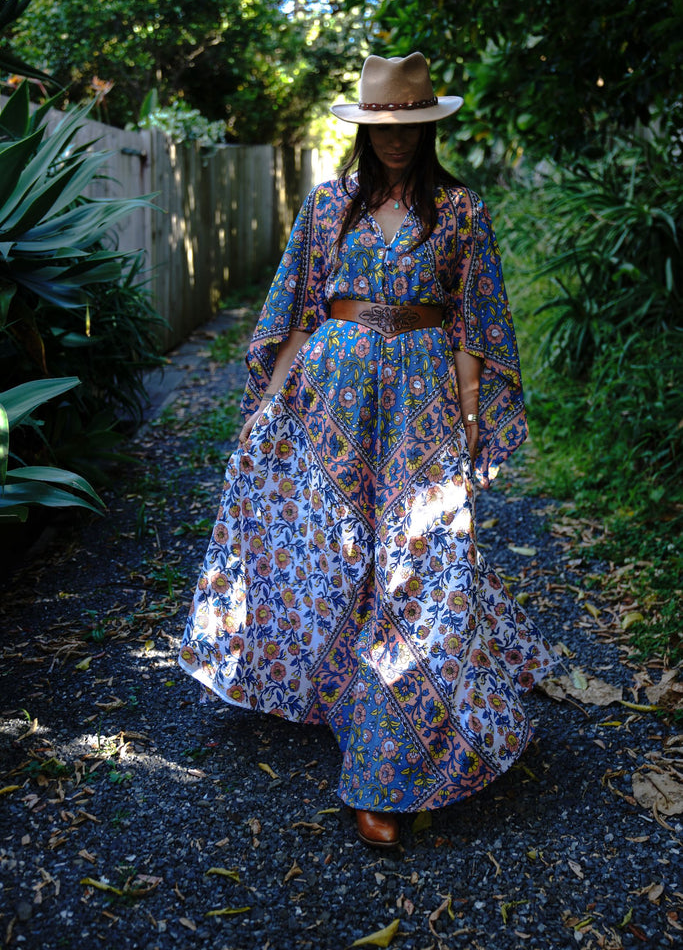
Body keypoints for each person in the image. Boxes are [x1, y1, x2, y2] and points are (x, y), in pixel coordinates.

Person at [178, 52, 557, 849]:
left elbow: (473, 325)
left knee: (418, 562)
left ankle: (389, 767)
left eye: (409, 126)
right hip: (332, 396)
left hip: (420, 398)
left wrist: (464, 415)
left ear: (427, 128)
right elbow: (295, 311)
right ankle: (348, 692)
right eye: (382, 127)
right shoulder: (327, 208)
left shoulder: (459, 212)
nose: (395, 141)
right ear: (363, 130)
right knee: (344, 550)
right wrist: (267, 404)